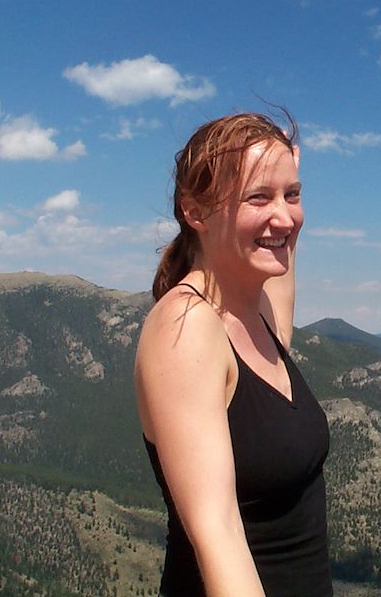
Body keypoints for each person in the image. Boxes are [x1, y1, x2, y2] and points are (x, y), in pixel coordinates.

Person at [135, 111, 333, 597]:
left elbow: (281, 258)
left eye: (293, 194)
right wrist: (276, 181)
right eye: (257, 197)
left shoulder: (253, 309)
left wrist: (275, 171)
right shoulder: (186, 330)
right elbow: (217, 532)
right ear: (196, 212)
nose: (284, 215)